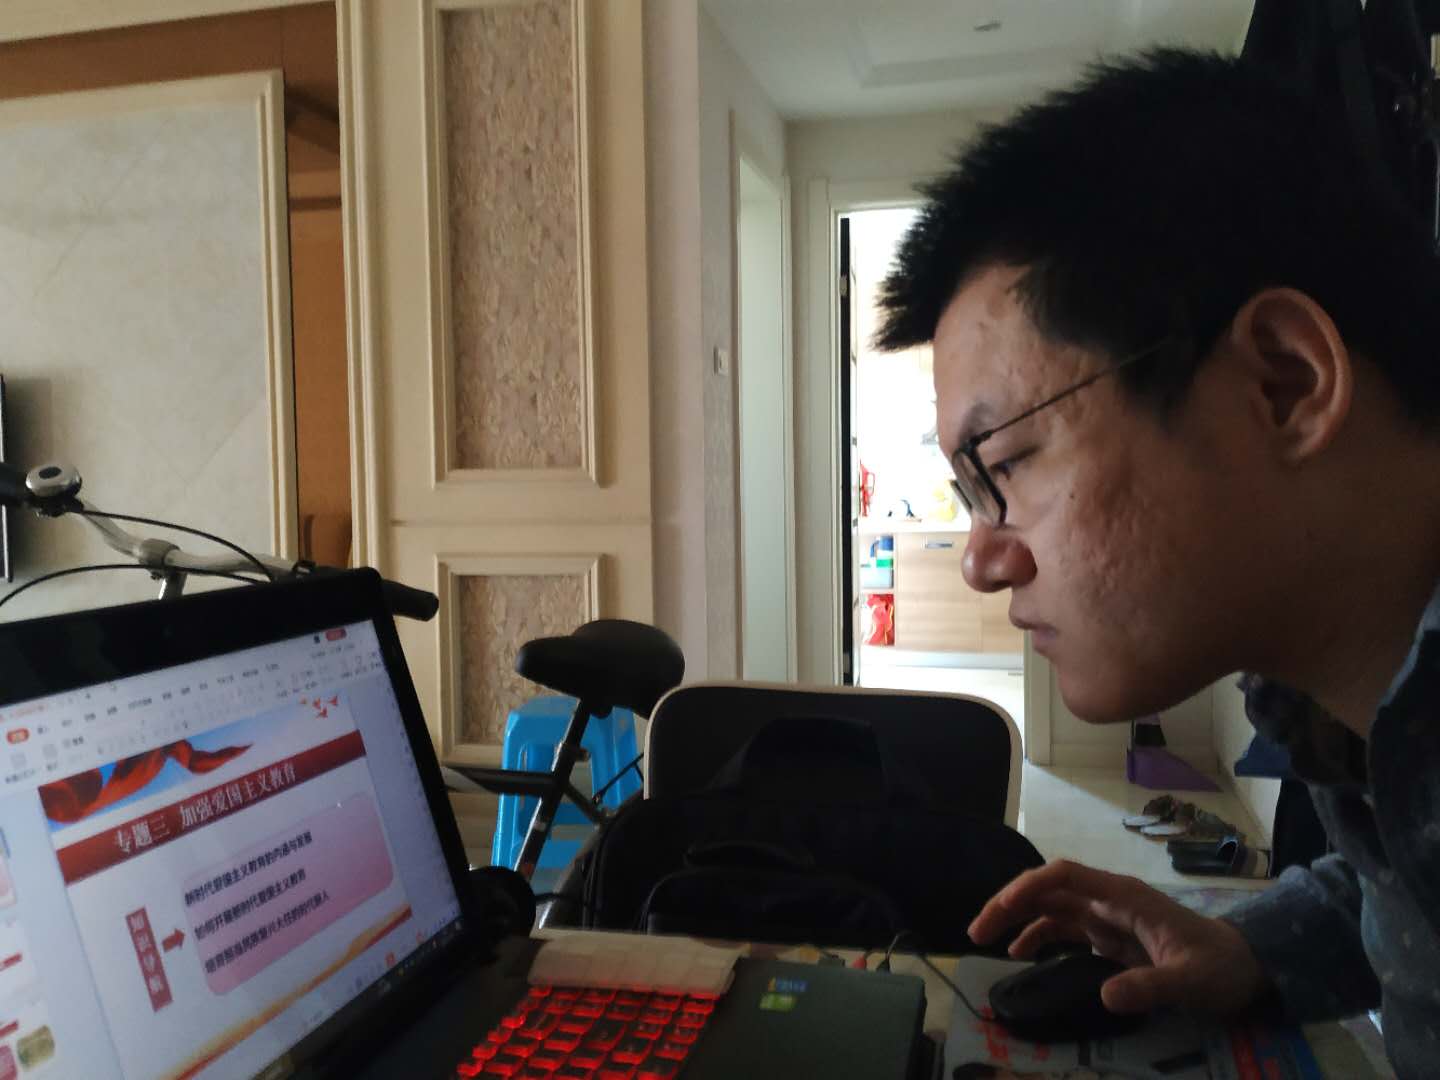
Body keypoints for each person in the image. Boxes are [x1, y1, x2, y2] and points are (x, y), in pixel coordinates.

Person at [874, 47, 1440, 1078]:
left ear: (1282, 384)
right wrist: (1249, 949)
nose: (982, 563)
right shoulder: (1366, 701)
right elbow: (1407, 884)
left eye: (1006, 464)